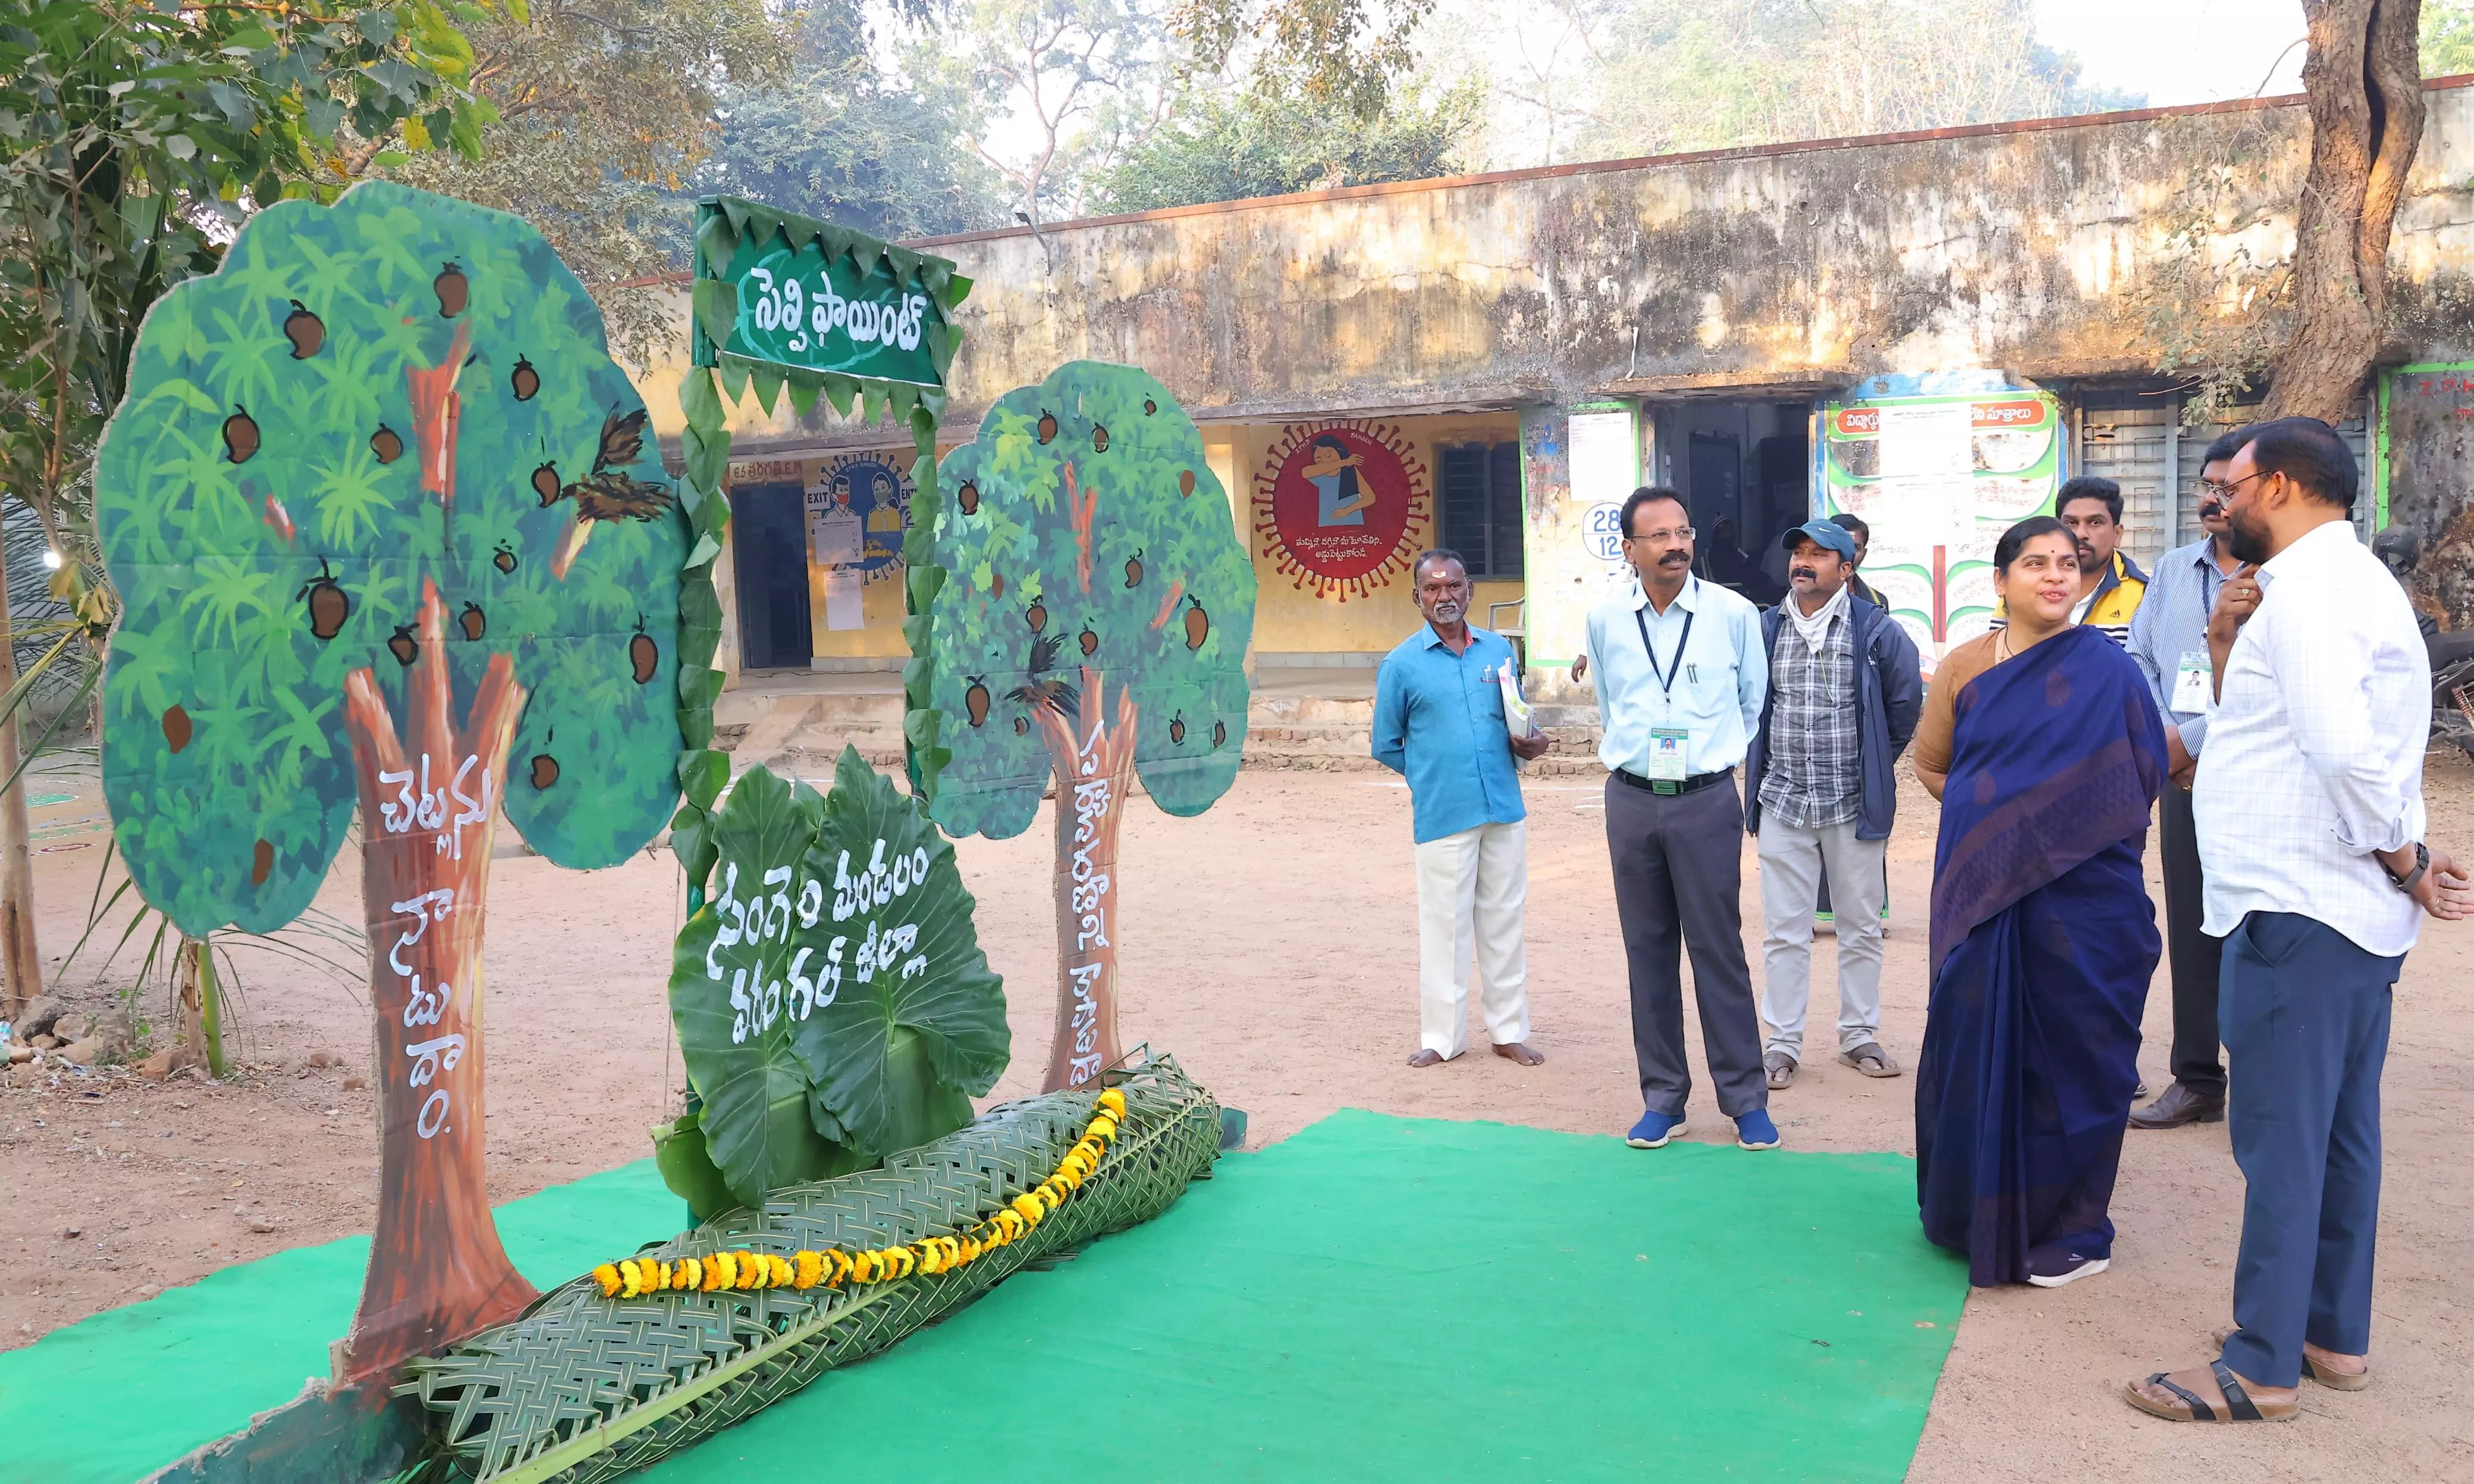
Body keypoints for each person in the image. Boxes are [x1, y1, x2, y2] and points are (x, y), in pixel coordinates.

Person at [2128, 417, 2472, 1425]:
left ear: (2275, 485)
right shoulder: (2338, 584)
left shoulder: (2316, 594)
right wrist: (2231, 645)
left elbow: (2340, 751)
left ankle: (2261, 1365)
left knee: (2280, 1140)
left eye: (2230, 487)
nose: (2217, 504)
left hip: (2302, 911)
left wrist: (2407, 858)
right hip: (2334, 910)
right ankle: (2332, 1335)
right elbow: (2292, 736)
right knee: (2337, 1136)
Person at [1912, 515, 2165, 1289]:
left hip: (2088, 907)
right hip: (1986, 902)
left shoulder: (2111, 671)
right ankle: (1967, 1213)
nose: (2055, 575)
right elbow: (1931, 765)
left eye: (2068, 563)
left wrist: (2050, 827)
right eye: (2034, 563)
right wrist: (2001, 830)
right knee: (1972, 1049)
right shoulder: (1963, 668)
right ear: (2001, 581)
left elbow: (2142, 771)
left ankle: (2075, 1229)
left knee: (2080, 1058)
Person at [1580, 488, 1778, 1152]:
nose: (1674, 545)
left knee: (1717, 950)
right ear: (1630, 549)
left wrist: (1705, 762)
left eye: (1682, 532)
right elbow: (1611, 704)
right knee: (1647, 952)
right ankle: (1663, 1098)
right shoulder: (1606, 618)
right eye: (1658, 536)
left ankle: (1745, 1100)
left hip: (1704, 800)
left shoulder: (1732, 613)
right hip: (1631, 799)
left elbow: (1752, 705)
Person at [1743, 520, 1922, 1089]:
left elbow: (1904, 707)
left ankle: (1858, 1036)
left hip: (1852, 805)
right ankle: (1782, 1044)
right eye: (1798, 552)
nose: (1804, 562)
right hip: (1783, 802)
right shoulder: (1764, 628)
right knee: (1784, 931)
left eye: (1819, 554)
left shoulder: (1877, 631)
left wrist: (1871, 766)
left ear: (1847, 569)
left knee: (1860, 927)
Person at [1373, 549, 1552, 1070]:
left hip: (1502, 802)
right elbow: (1386, 743)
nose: (1444, 596)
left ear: (1469, 592)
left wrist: (1528, 742)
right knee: (1445, 926)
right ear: (1417, 597)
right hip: (1444, 811)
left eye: (1453, 586)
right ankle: (1443, 1038)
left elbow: (1515, 717)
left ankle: (1508, 1031)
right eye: (1432, 588)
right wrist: (1431, 776)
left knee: (1503, 921)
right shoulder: (1401, 664)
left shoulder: (1497, 650)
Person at [2121, 429, 2249, 1130]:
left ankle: (2259, 1081)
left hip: (2252, 781)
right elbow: (2138, 656)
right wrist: (2161, 735)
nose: (2210, 497)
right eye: (2206, 483)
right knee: (2192, 925)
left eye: (2227, 487)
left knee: (2254, 928)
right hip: (2181, 781)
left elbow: (2262, 688)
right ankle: (2197, 1077)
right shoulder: (2172, 571)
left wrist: (2184, 739)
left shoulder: (2279, 582)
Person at [2056, 476, 2148, 644]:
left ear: (2117, 534)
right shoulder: (2025, 587)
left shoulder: (2146, 597)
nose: (2080, 534)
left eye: (2095, 522)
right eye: (2071, 523)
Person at [1829, 512, 1883, 607]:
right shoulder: (1802, 594)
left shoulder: (1877, 603)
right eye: (1840, 546)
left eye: (1855, 548)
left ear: (1864, 553)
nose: (1848, 554)